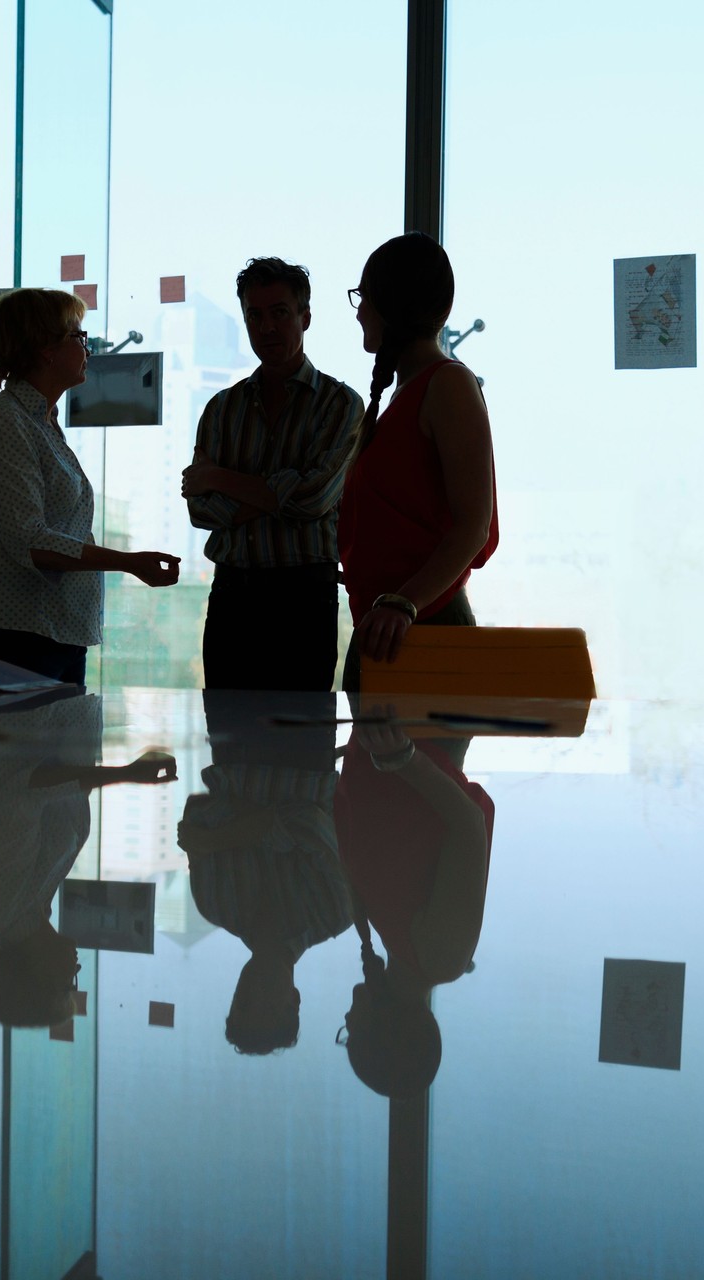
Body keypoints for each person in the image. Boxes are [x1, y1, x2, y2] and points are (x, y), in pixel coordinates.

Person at [0, 287, 181, 683]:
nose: (87, 348)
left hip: (53, 632)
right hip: (15, 636)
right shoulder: (5, 421)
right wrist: (127, 562)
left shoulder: (40, 423)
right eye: (78, 337)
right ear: (46, 349)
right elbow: (31, 541)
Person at [182, 258, 365, 691]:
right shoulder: (221, 409)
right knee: (226, 741)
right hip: (231, 596)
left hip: (304, 597)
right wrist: (280, 492)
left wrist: (220, 478)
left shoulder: (340, 404)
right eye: (255, 315)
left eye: (279, 312)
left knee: (302, 746)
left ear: (305, 317)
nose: (266, 327)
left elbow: (313, 501)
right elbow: (200, 510)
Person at [0, 687, 176, 1028]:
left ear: (30, 978)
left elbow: (27, 792)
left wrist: (125, 774)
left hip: (18, 707)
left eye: (66, 985)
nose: (76, 972)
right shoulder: (33, 903)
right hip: (52, 708)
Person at [339, 233, 499, 692]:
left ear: (389, 304)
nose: (358, 311)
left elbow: (474, 527)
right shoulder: (406, 395)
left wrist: (402, 603)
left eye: (362, 297)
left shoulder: (448, 384)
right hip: (389, 626)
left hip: (421, 626)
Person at [178, 691, 352, 1054]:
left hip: (232, 736)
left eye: (241, 1004)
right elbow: (311, 824)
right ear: (295, 1000)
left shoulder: (214, 904)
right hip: (304, 738)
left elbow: (197, 811)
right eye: (268, 1006)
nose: (252, 994)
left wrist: (261, 824)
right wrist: (220, 839)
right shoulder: (334, 913)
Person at [334, 717, 493, 1097]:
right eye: (352, 1034)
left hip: (388, 732)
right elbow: (469, 827)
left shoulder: (392, 942)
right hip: (420, 731)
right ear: (386, 1031)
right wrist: (402, 758)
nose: (346, 1020)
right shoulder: (441, 958)